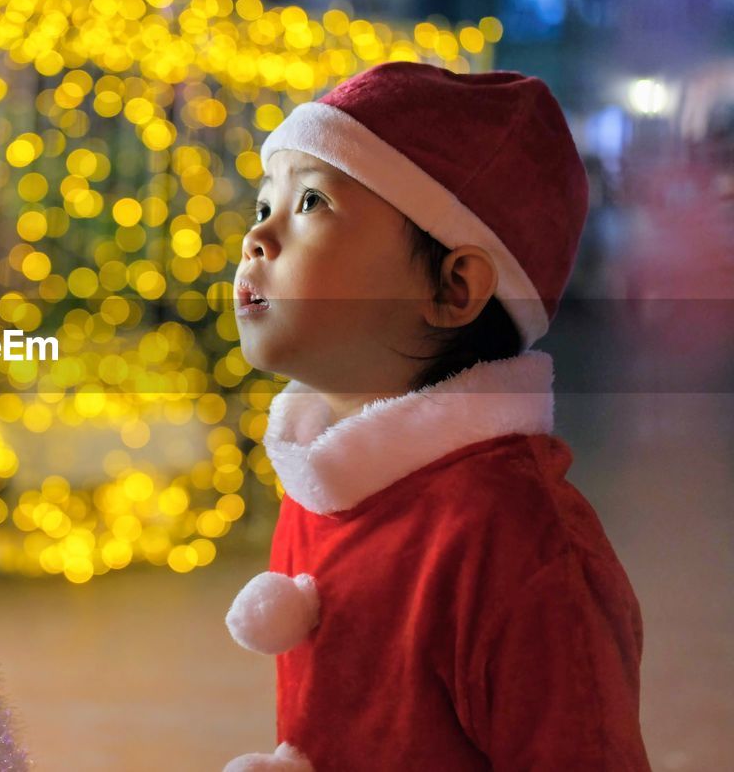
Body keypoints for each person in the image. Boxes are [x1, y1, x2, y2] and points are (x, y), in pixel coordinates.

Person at [222, 61, 650, 771]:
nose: (257, 237)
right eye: (263, 205)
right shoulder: (324, 480)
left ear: (455, 287)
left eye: (310, 204)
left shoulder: (521, 542)